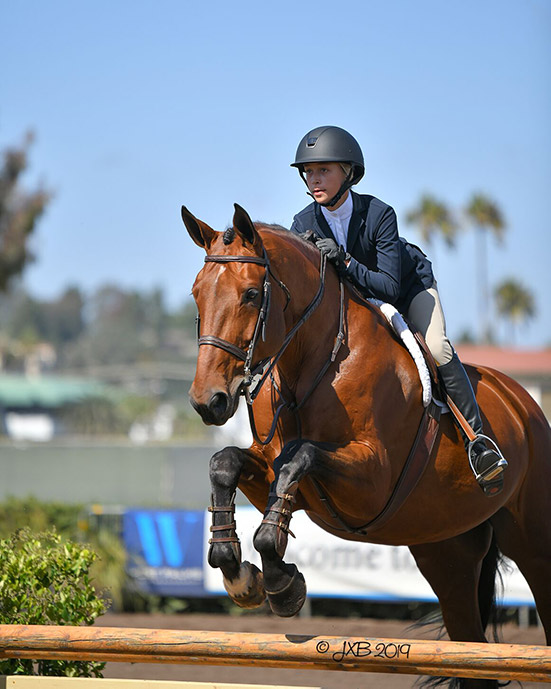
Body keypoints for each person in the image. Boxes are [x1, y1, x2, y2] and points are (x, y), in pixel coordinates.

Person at [289, 125, 507, 497]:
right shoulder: (302, 223)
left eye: (323, 170)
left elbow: (388, 286)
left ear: (348, 173)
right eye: (309, 171)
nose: (314, 179)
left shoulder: (379, 214)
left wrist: (342, 259)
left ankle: (480, 442)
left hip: (408, 291)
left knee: (437, 348)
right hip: (357, 306)